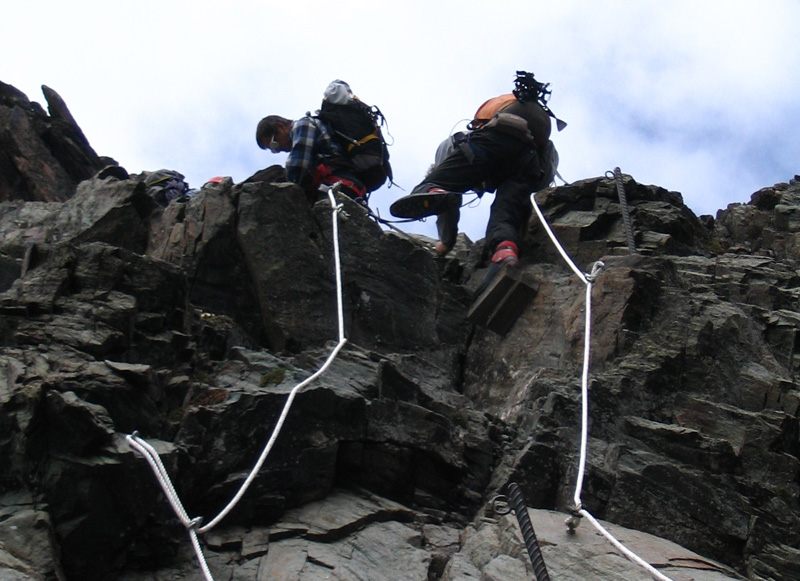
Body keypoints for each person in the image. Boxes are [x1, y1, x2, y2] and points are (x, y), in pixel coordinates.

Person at [391, 72, 562, 295]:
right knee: (505, 213)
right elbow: (546, 170)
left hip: (491, 143)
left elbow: (445, 200)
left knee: (434, 186)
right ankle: (504, 251)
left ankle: (431, 188)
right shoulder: (541, 142)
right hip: (530, 161)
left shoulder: (452, 145)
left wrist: (447, 242)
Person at [256, 93, 367, 203]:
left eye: (274, 144)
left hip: (338, 185)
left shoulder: (302, 125)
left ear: (281, 127)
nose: (278, 149)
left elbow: (298, 165)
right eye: (273, 150)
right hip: (346, 186)